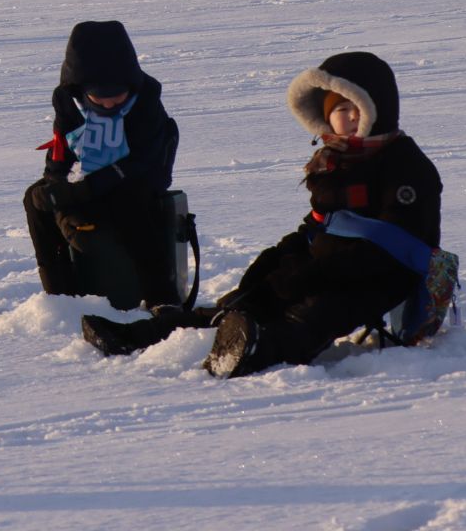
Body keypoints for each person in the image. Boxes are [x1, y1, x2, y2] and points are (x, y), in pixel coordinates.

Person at [81, 51, 443, 378]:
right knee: (249, 297)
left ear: (376, 109)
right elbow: (321, 223)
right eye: (338, 110)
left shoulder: (406, 165)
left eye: (354, 109)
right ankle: (143, 336)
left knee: (312, 312)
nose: (346, 119)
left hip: (384, 275)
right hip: (331, 263)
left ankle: (253, 353)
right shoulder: (336, 158)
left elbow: (394, 246)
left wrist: (312, 274)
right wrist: (282, 257)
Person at [23, 20, 180, 310]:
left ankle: (162, 298)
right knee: (35, 201)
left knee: (128, 204)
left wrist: (87, 189)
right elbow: (62, 145)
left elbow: (142, 160)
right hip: (92, 175)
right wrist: (54, 184)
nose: (109, 105)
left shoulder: (145, 101)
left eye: (117, 97)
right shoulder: (68, 100)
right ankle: (60, 297)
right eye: (99, 98)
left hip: (139, 177)